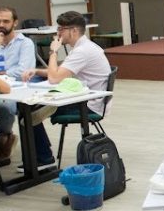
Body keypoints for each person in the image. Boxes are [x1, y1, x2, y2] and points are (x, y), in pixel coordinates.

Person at [21, 11, 111, 170]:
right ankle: (42, 154)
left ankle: (44, 158)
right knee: (29, 108)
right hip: (86, 97)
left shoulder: (82, 51)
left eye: (62, 29)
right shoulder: (83, 46)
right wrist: (36, 71)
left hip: (88, 104)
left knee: (27, 112)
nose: (58, 33)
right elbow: (60, 72)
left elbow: (54, 79)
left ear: (74, 31)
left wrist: (53, 51)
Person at [0, 6, 35, 163]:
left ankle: (4, 139)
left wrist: (1, 76)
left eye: (6, 21)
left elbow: (23, 70)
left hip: (16, 91)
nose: (1, 25)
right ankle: (3, 140)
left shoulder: (25, 43)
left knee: (3, 106)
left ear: (15, 23)